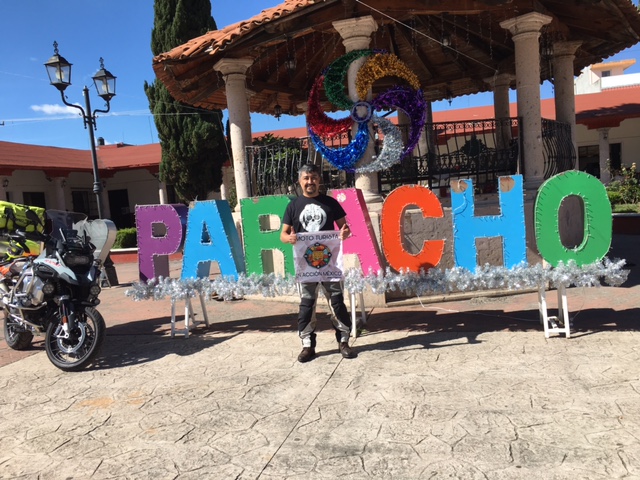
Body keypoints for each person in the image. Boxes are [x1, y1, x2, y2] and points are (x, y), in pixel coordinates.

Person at [280, 163, 356, 363]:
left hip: (330, 263)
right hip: (306, 266)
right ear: (300, 181)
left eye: (313, 177)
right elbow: (283, 235)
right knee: (307, 304)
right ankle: (307, 345)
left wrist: (345, 233)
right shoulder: (293, 206)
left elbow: (345, 228)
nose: (310, 181)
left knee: (337, 301)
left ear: (319, 180)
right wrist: (289, 238)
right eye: (306, 178)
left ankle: (343, 341)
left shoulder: (331, 203)